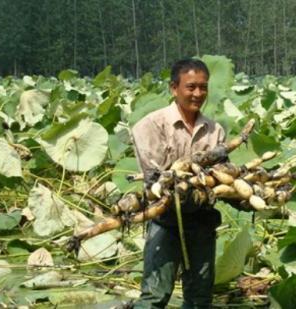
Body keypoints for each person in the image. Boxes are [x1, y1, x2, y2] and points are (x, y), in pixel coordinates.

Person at [131, 58, 225, 308]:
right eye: (191, 87)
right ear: (174, 88)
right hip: (165, 217)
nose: (198, 94)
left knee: (200, 298)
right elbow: (155, 179)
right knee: (155, 296)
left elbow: (220, 177)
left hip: (202, 220)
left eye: (203, 87)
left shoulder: (215, 131)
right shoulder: (150, 125)